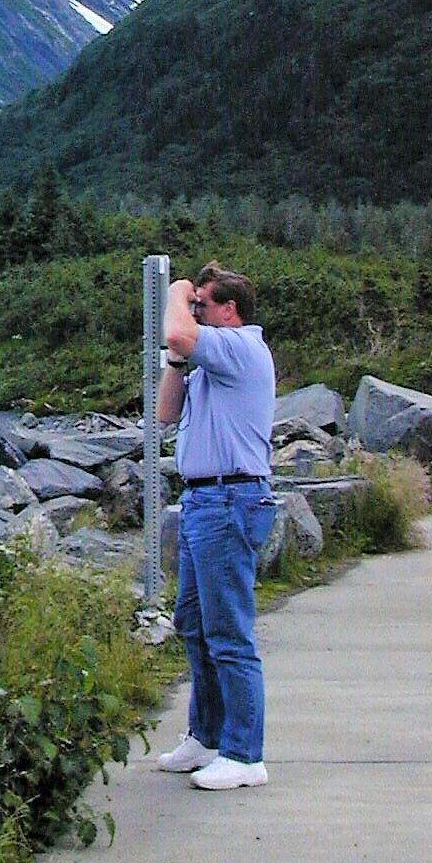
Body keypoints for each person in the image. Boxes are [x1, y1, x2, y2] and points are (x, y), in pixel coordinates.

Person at [155, 262, 277, 791]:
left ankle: (245, 754)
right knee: (193, 624)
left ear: (229, 309)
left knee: (228, 632)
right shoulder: (210, 361)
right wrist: (176, 363)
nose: (195, 311)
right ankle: (206, 736)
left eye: (203, 304)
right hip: (204, 500)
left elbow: (179, 332)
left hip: (230, 498)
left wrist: (177, 290)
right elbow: (165, 413)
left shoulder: (241, 346)